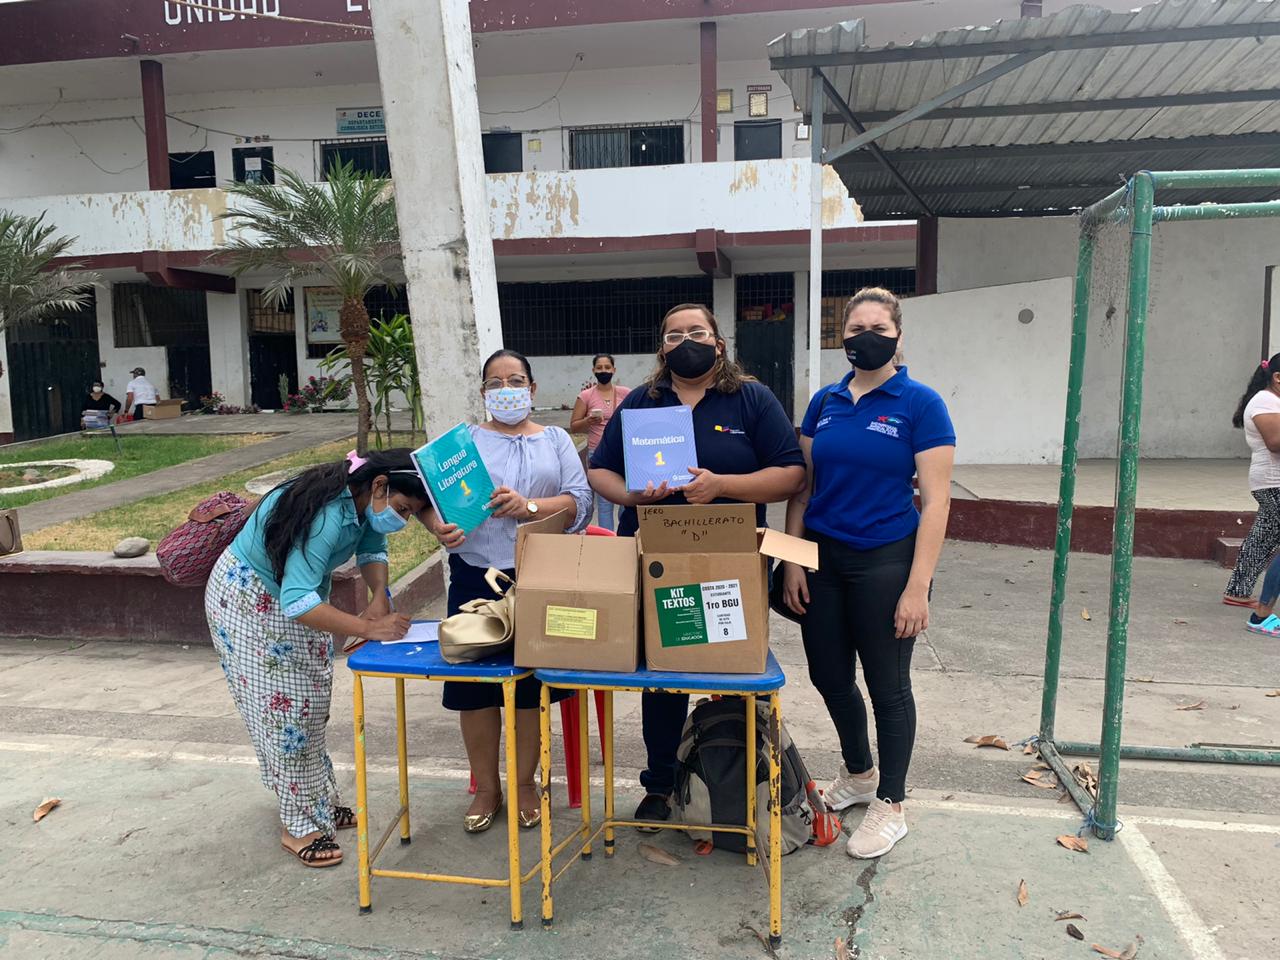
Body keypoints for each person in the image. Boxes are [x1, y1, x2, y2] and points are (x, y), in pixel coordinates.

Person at [588, 303, 806, 829]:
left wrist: (722, 485)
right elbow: (600, 471)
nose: (686, 341)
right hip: (657, 559)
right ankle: (661, 784)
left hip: (730, 560)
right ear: (662, 349)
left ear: (719, 343)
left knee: (734, 668)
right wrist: (634, 495)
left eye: (697, 331)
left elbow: (791, 473)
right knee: (664, 673)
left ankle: (739, 780)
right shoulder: (643, 402)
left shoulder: (750, 399)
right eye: (674, 335)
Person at [781, 287, 954, 860]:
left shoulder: (921, 403)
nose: (866, 337)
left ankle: (891, 803)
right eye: (856, 329)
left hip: (887, 560)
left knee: (888, 686)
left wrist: (917, 587)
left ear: (898, 336)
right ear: (843, 337)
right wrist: (794, 558)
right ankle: (859, 774)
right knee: (829, 676)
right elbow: (804, 487)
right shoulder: (825, 401)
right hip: (822, 560)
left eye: (878, 328)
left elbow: (936, 501)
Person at [205, 449, 424, 867]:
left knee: (310, 707)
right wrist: (368, 628)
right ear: (379, 486)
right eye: (402, 509)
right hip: (249, 601)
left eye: (411, 514)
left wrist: (379, 596)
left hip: (291, 601)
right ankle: (298, 825)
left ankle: (316, 800)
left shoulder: (361, 500)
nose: (403, 520)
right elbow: (297, 600)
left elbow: (373, 549)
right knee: (286, 715)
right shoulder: (327, 515)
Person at [420, 348, 592, 833]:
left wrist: (529, 507)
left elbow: (580, 503)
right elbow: (426, 500)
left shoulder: (556, 440)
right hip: (475, 576)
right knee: (473, 689)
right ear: (483, 392)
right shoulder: (463, 444)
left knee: (527, 687)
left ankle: (522, 783)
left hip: (539, 575)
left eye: (515, 381)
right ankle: (486, 787)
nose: (506, 390)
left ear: (532, 389)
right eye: (495, 383)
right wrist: (438, 527)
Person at [1224, 354, 1280, 608]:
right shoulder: (1265, 402)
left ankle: (1238, 591)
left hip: (1269, 481)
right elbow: (1275, 443)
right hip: (1274, 482)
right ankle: (1262, 606)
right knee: (1263, 538)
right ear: (1277, 378)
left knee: (1262, 538)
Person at [570, 353, 632, 531]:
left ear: (614, 370)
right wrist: (588, 421)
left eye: (607, 367)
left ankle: (625, 535)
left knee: (627, 499)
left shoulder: (626, 393)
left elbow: (635, 418)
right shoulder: (586, 396)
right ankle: (608, 539)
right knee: (604, 504)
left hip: (624, 452)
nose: (603, 371)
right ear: (593, 370)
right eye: (599, 368)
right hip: (598, 453)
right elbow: (574, 426)